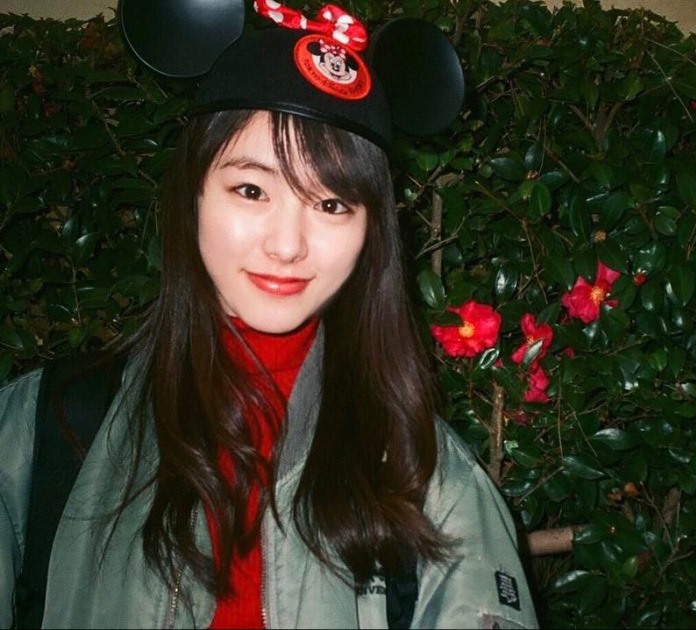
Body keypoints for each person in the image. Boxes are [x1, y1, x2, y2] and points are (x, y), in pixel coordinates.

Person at [0, 1, 539, 628]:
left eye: (331, 203)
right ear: (192, 196)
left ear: (372, 232)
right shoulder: (46, 430)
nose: (287, 246)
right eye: (251, 190)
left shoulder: (429, 475)